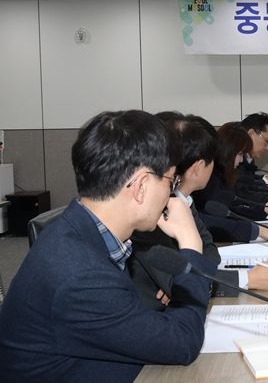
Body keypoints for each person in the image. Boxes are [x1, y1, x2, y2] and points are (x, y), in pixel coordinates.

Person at [0, 110, 213, 382]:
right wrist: (191, 245)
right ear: (141, 186)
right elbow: (182, 343)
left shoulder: (81, 232)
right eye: (171, 181)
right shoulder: (81, 274)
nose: (172, 194)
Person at [128, 113, 268, 310]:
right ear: (199, 166)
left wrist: (185, 279)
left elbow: (209, 250)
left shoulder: (183, 200)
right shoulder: (149, 213)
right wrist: (245, 278)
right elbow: (181, 278)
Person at [193, 122, 268, 243]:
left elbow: (230, 207)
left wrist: (262, 211)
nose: (242, 160)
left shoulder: (221, 175)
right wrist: (259, 229)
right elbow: (212, 220)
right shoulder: (211, 180)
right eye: (240, 154)